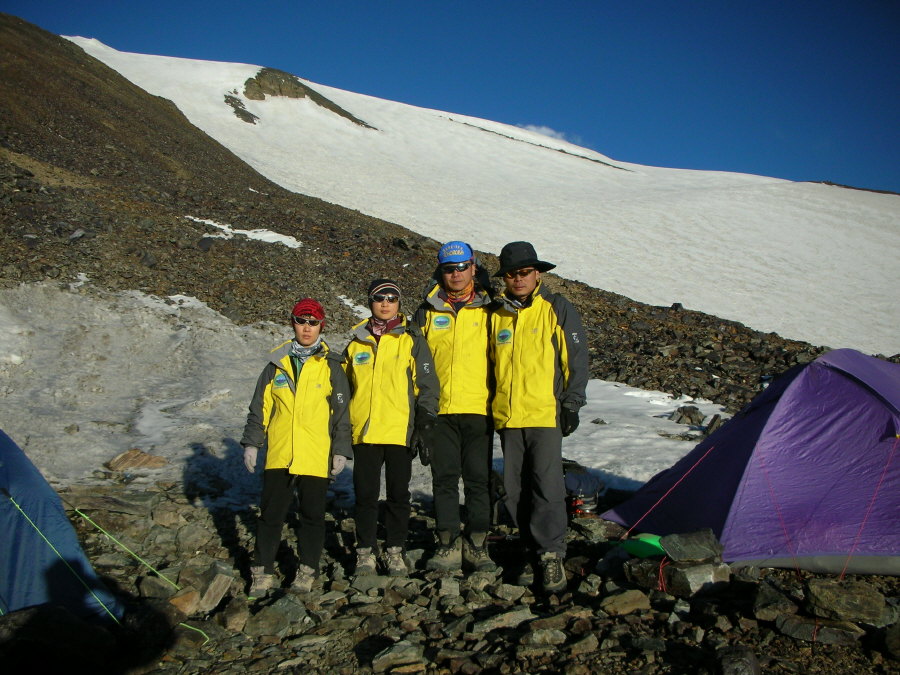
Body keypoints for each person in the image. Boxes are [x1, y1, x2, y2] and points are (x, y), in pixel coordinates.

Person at [489, 242, 589, 593]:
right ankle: (528, 549)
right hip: (508, 417)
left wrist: (572, 403)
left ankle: (551, 556)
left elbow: (575, 358)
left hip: (545, 414)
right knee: (514, 489)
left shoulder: (556, 308)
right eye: (512, 274)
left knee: (546, 486)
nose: (518, 279)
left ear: (538, 274)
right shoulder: (496, 314)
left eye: (525, 272)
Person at [241, 298, 352, 597]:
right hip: (279, 454)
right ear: (293, 323)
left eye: (313, 322)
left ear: (321, 326)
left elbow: (342, 414)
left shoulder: (331, 366)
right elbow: (259, 409)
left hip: (316, 456)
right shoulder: (275, 365)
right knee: (270, 516)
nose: (307, 328)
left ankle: (307, 570)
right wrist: (252, 443)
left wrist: (341, 449)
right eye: (302, 321)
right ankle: (262, 571)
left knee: (312, 516)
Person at [343, 279, 440, 576]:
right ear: (370, 302)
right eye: (379, 298)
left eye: (392, 297)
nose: (385, 303)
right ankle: (365, 551)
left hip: (400, 431)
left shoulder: (412, 340)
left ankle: (395, 549)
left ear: (399, 302)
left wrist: (424, 420)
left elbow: (427, 384)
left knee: (399, 493)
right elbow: (343, 391)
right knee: (366, 495)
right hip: (365, 431)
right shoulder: (356, 343)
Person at [413, 241, 497, 572]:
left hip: (480, 408)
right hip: (440, 410)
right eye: (450, 268)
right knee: (444, 478)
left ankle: (477, 544)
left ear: (474, 267)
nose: (457, 274)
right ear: (441, 271)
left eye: (462, 267)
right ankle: (447, 543)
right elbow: (415, 362)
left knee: (478, 478)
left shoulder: (492, 308)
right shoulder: (427, 311)